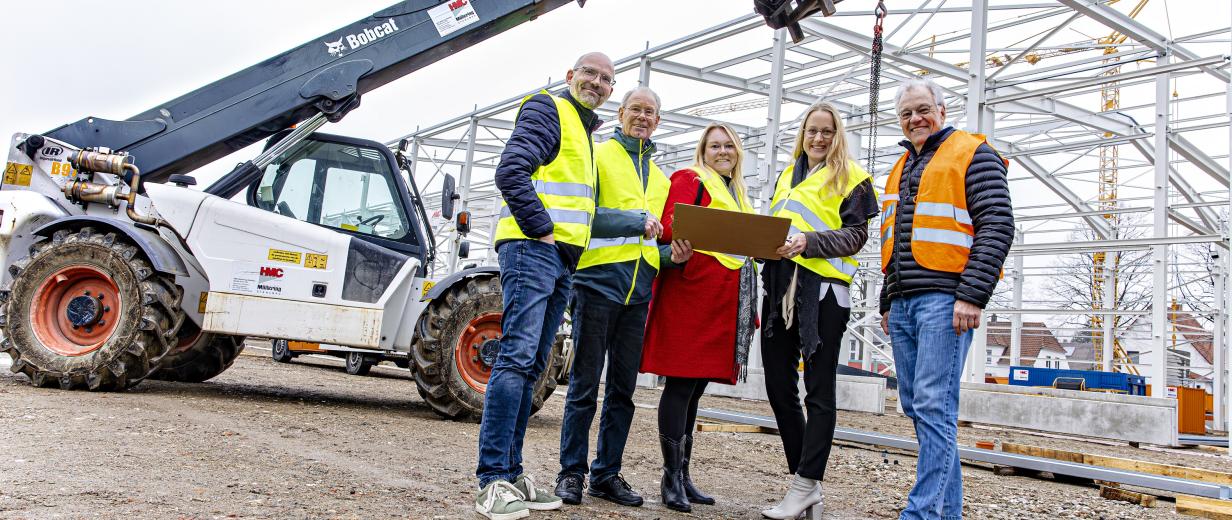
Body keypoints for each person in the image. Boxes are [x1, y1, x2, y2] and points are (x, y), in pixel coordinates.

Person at [474, 51, 615, 520]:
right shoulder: (548, 108)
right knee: (515, 357)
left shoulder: (583, 131)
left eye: (606, 79)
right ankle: (492, 479)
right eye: (590, 74)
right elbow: (510, 171)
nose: (597, 82)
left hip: (559, 259)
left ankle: (512, 473)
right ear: (570, 76)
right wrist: (540, 229)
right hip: (533, 248)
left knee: (533, 363)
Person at [879, 78, 1013, 520]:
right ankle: (946, 513)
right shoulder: (901, 166)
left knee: (935, 406)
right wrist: (888, 298)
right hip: (904, 302)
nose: (915, 119)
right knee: (920, 409)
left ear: (942, 108)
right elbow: (895, 238)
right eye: (906, 114)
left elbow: (997, 225)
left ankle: (920, 514)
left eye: (922, 109)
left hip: (945, 299)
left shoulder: (973, 154)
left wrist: (972, 295)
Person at [555, 86, 693, 508]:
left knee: (623, 392)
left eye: (650, 112)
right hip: (596, 283)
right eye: (636, 109)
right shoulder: (598, 156)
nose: (643, 117)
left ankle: (606, 475)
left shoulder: (662, 178)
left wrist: (673, 255)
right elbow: (583, 216)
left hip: (638, 294)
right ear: (620, 113)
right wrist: (634, 221)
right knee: (583, 386)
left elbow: (652, 245)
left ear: (658, 120)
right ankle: (571, 474)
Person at [759, 102, 878, 519]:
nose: (819, 138)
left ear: (837, 135)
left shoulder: (853, 178)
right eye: (812, 130)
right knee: (777, 385)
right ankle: (804, 483)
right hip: (779, 290)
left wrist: (810, 242)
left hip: (823, 294)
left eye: (827, 131)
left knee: (819, 391)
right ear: (803, 133)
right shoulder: (787, 175)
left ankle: (805, 485)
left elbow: (856, 236)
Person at [640, 122, 757, 513]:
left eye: (728, 146)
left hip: (722, 298)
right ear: (703, 151)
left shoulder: (737, 192)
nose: (722, 152)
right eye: (714, 146)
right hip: (692, 294)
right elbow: (671, 224)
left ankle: (684, 472)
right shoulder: (691, 177)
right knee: (680, 384)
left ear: (737, 152)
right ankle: (670, 477)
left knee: (696, 388)